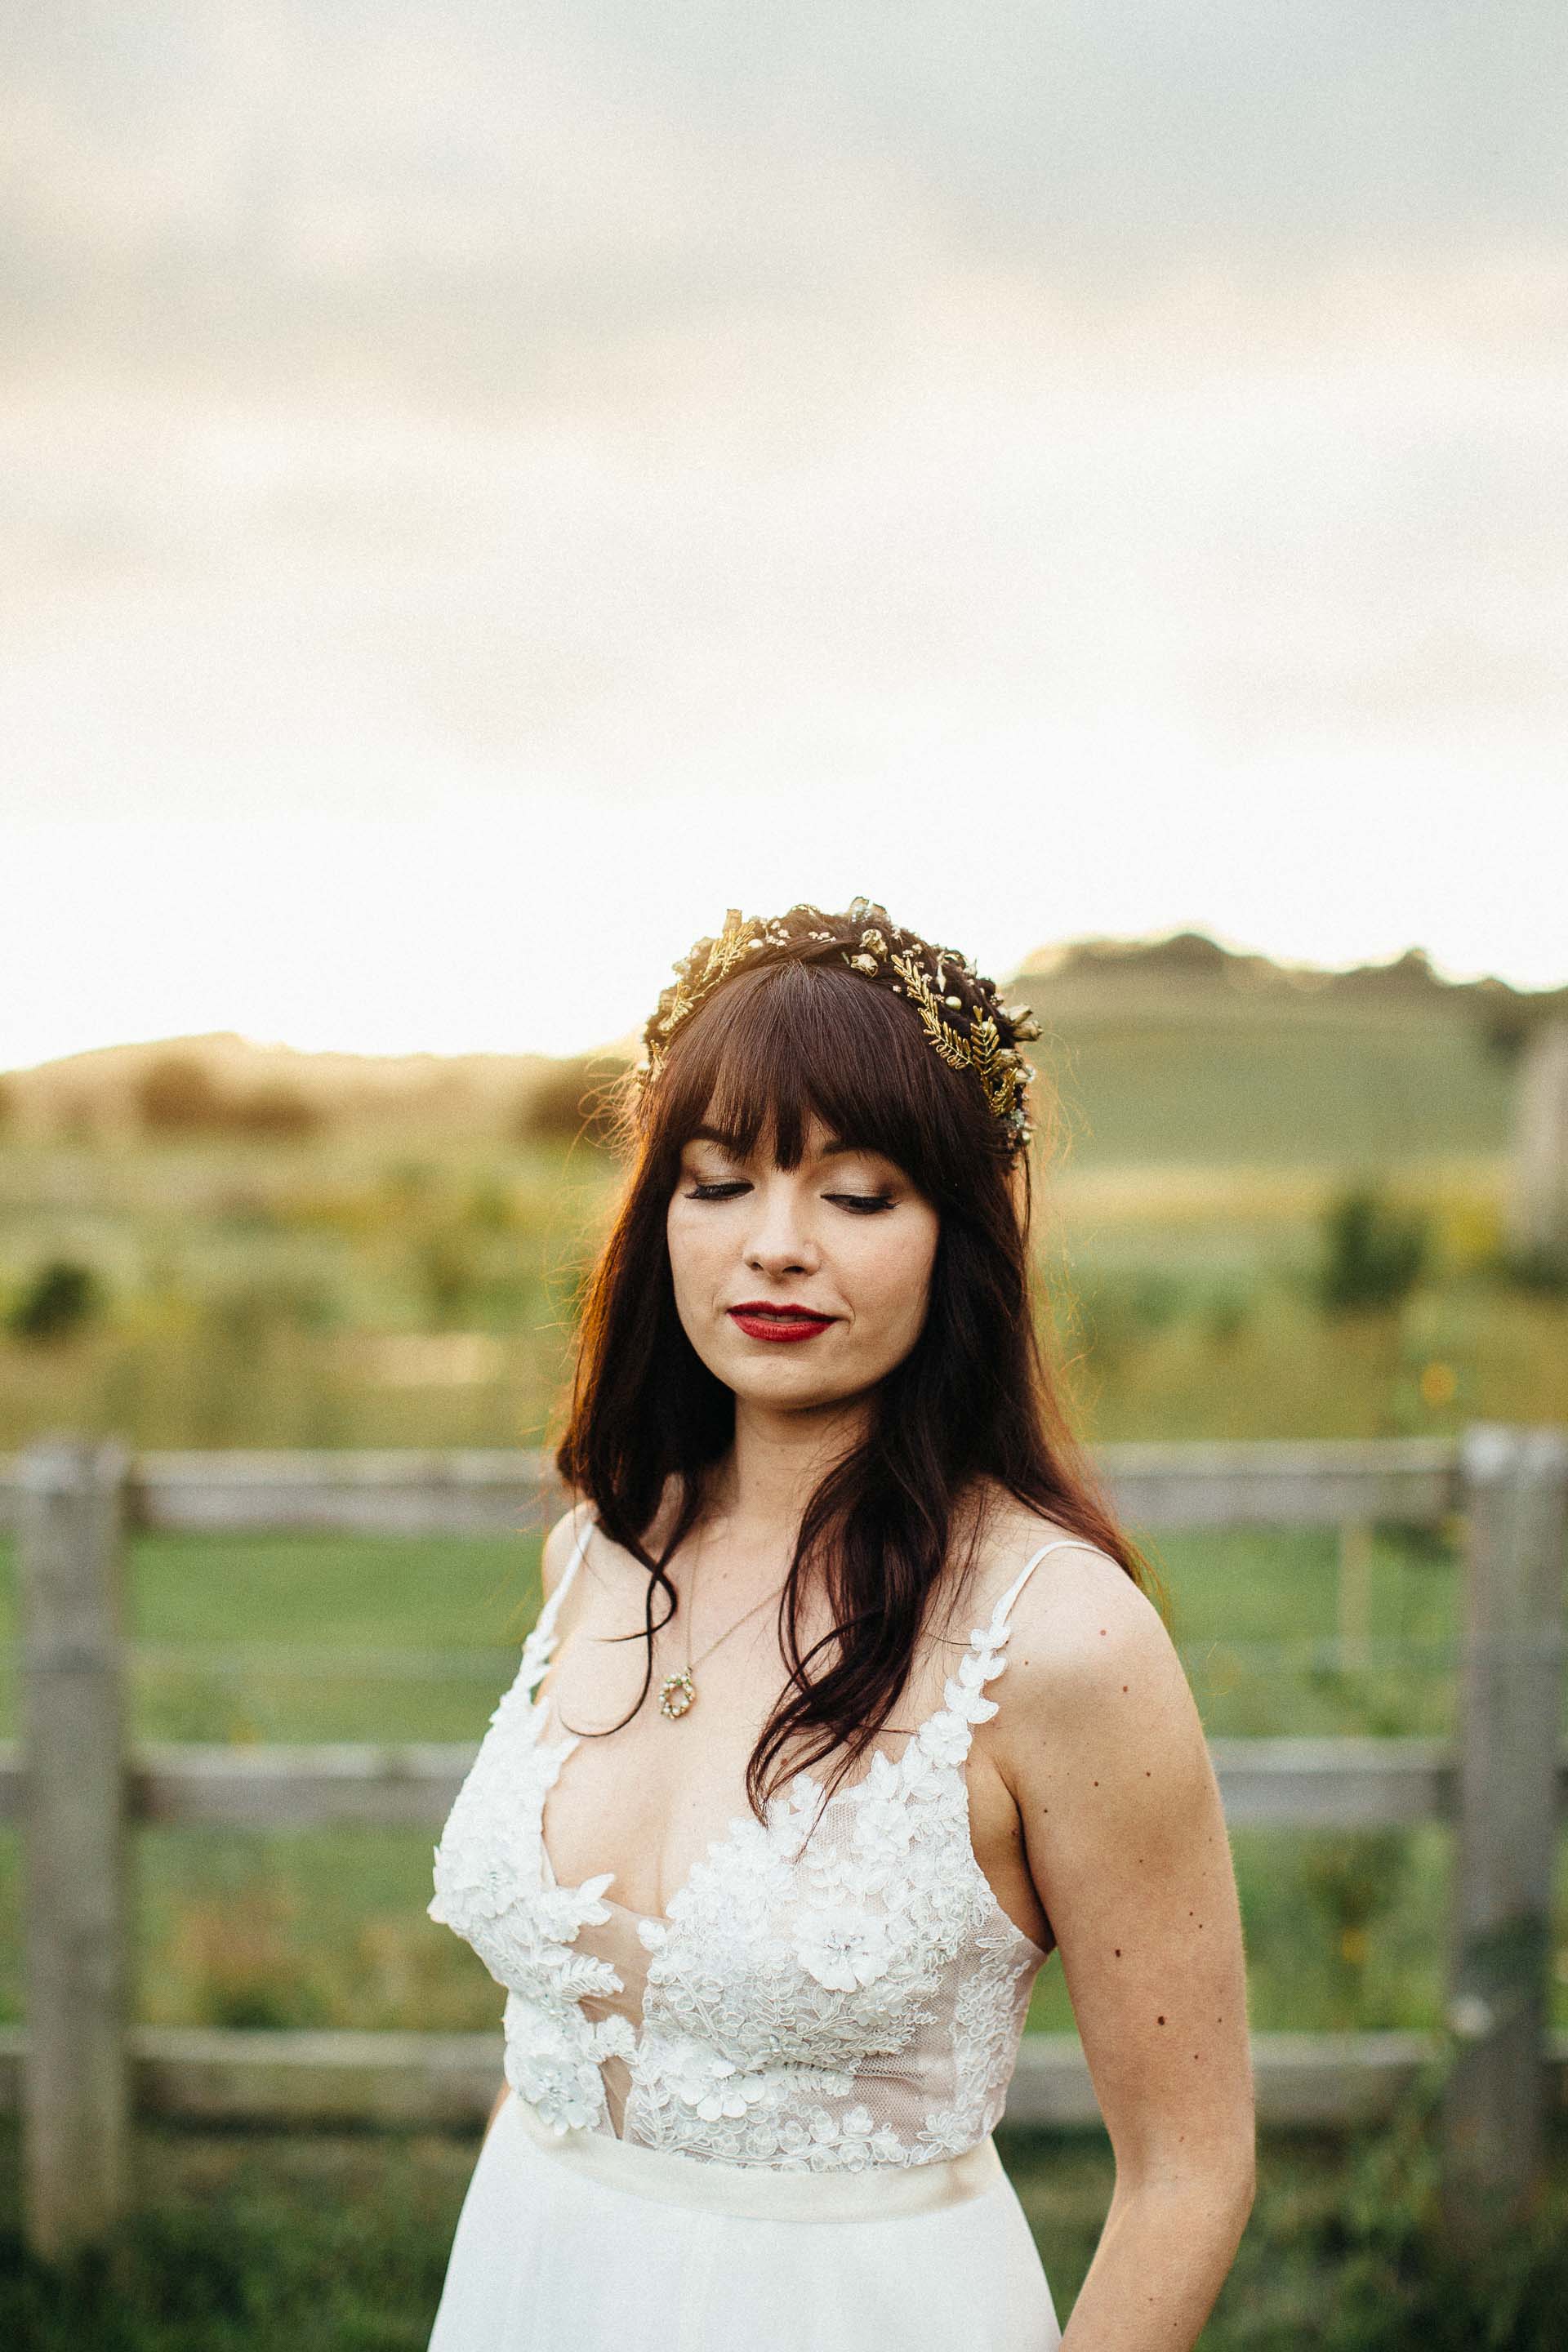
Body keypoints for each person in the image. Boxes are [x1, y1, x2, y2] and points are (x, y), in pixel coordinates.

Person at [425, 897, 1254, 2350]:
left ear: (959, 1237)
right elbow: (570, 2034)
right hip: (531, 2279)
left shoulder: (1062, 1639)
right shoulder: (597, 1555)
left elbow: (1189, 2175)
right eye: (718, 1182)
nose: (778, 1247)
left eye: (858, 1196)